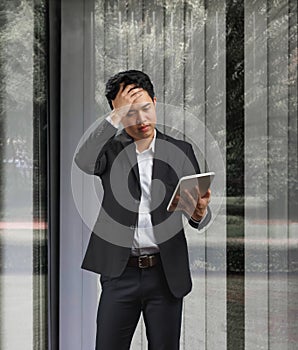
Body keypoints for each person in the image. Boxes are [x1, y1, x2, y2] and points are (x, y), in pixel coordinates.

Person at [75, 70, 211, 350]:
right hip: (120, 273)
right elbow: (84, 161)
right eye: (130, 113)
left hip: (165, 275)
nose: (141, 120)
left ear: (156, 102)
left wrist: (198, 214)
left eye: (146, 108)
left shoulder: (181, 151)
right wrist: (116, 114)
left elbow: (198, 213)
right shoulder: (109, 152)